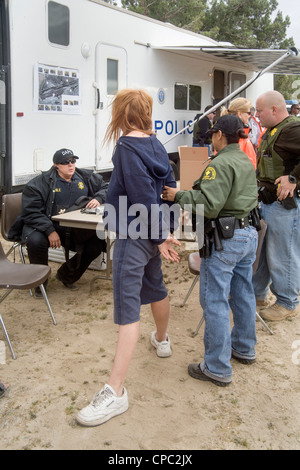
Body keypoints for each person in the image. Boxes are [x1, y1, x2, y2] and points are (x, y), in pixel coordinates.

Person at [76, 89, 180, 427]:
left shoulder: (126, 147)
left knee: (127, 310)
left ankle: (115, 391)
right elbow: (168, 188)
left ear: (121, 113)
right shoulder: (157, 144)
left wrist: (161, 234)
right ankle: (162, 341)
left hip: (135, 236)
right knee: (156, 288)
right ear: (147, 112)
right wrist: (166, 231)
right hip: (150, 236)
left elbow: (140, 196)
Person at [163, 115, 258, 387]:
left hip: (225, 239)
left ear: (218, 136)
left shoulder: (220, 163)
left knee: (215, 301)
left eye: (213, 133)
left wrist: (177, 195)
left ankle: (216, 367)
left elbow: (211, 204)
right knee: (243, 293)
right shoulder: (243, 158)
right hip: (247, 234)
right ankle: (243, 348)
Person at [20, 148, 108, 297]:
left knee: (96, 245)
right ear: (56, 165)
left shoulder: (85, 177)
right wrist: (49, 231)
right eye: (66, 162)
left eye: (73, 161)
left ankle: (67, 275)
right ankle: (39, 284)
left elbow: (106, 187)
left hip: (74, 227)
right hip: (48, 226)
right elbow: (31, 212)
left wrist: (98, 198)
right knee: (35, 242)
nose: (71, 165)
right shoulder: (39, 183)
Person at [253, 90, 300, 322]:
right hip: (268, 202)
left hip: (284, 206)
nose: (256, 114)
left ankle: (287, 302)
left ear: (274, 109)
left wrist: (293, 179)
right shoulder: (273, 131)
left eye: (259, 110)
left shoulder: (292, 129)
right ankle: (258, 293)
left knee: (283, 253)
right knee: (262, 252)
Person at [220, 97, 257, 168]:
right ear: (240, 114)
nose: (250, 116)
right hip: (241, 176)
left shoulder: (240, 132)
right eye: (248, 113)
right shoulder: (235, 134)